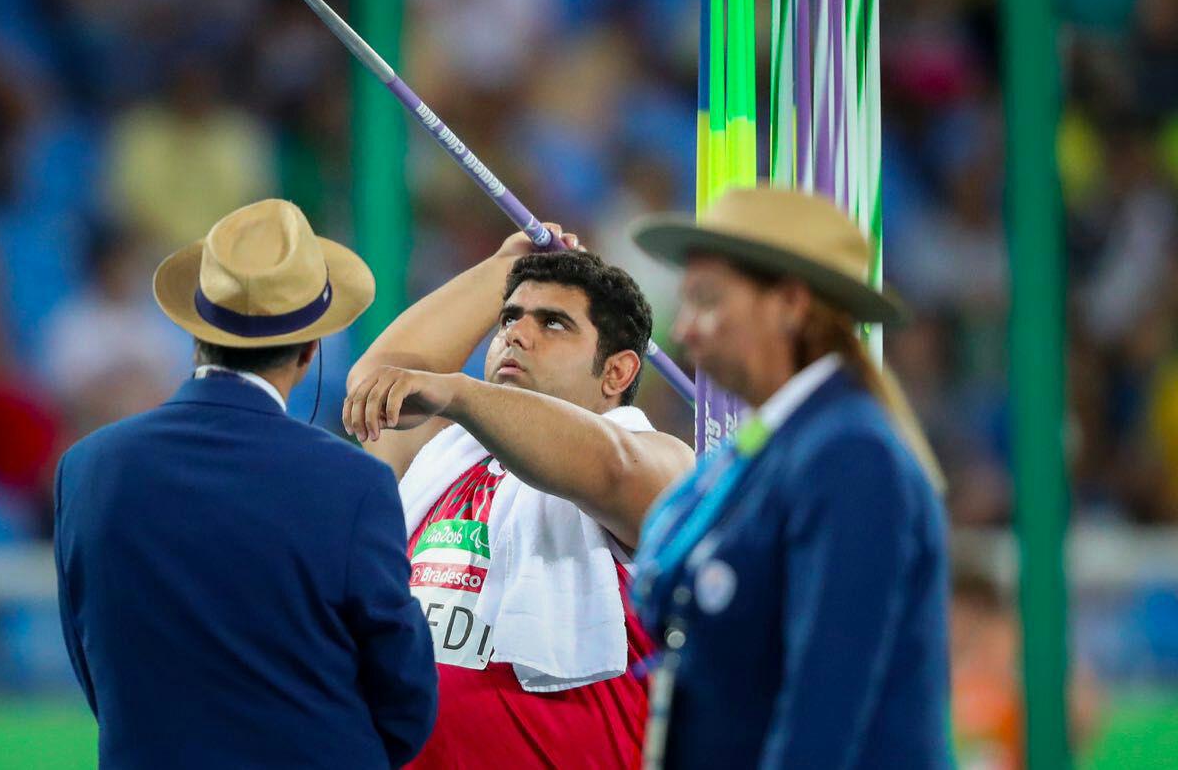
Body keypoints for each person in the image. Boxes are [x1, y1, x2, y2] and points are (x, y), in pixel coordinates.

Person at [54, 199, 437, 768]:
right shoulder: (356, 484)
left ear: (194, 332)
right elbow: (406, 697)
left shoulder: (88, 467)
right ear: (310, 352)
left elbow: (93, 664)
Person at [343, 224, 694, 768]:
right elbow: (379, 382)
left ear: (618, 371)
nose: (515, 336)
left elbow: (608, 465)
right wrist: (504, 265)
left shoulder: (661, 459)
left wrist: (459, 390)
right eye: (509, 318)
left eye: (553, 323)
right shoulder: (447, 457)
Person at [630, 186, 951, 768]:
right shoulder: (763, 451)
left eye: (706, 301)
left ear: (790, 303)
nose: (685, 331)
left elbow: (821, 713)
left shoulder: (851, 458)